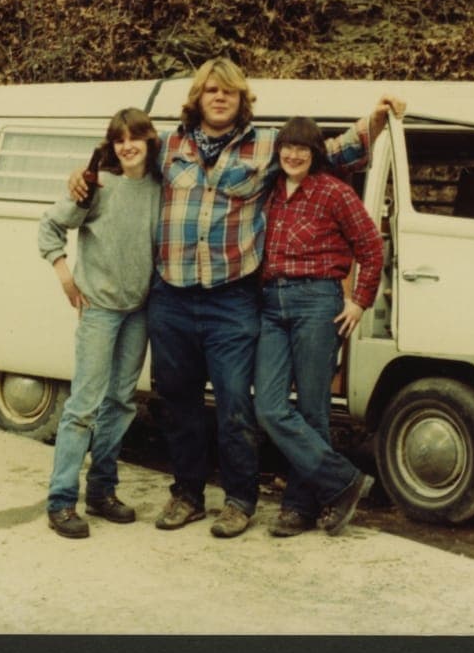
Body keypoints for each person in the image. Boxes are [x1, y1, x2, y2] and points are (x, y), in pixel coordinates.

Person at [72, 59, 403, 538]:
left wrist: (374, 120)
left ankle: (239, 500)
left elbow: (329, 153)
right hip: (173, 296)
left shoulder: (268, 145)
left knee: (235, 406)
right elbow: (118, 163)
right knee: (178, 403)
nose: (219, 98)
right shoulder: (169, 146)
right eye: (210, 91)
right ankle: (186, 496)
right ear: (198, 98)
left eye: (228, 91)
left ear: (241, 98)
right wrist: (79, 176)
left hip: (233, 299)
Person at [254, 117, 384, 537]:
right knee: (270, 406)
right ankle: (342, 481)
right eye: (287, 147)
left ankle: (299, 507)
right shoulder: (269, 191)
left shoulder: (334, 191)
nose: (293, 155)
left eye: (303, 149)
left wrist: (360, 300)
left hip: (317, 301)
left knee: (313, 410)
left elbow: (370, 244)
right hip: (270, 302)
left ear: (314, 155)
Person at [38, 107, 162, 539]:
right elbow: (50, 227)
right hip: (100, 310)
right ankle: (61, 501)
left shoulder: (160, 187)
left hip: (139, 310)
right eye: (119, 139)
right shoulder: (97, 186)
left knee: (121, 403)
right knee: (84, 406)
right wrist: (65, 276)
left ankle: (102, 491)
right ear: (111, 145)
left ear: (149, 141)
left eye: (135, 138)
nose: (127, 146)